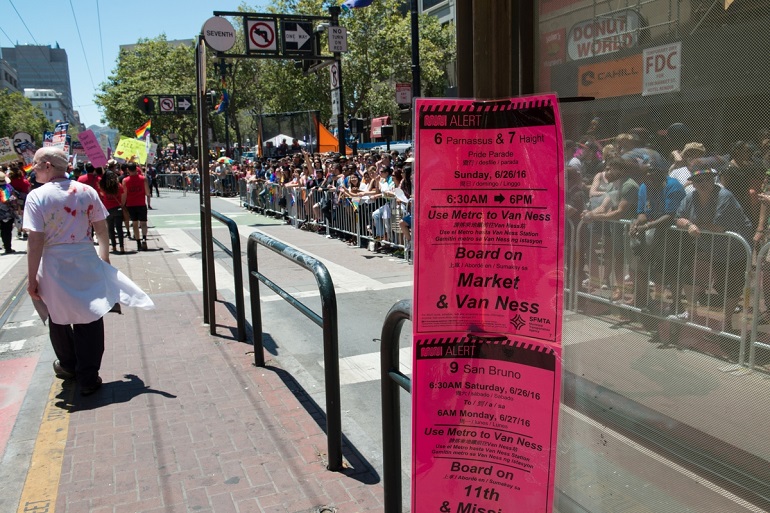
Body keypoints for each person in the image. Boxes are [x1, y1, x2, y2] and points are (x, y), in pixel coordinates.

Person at [24, 147, 154, 396]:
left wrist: (32, 280)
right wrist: (104, 259)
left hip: (53, 265)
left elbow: (35, 241)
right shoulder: (86, 191)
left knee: (57, 317)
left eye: (36, 164)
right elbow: (102, 230)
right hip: (85, 259)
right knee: (90, 316)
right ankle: (88, 376)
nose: (34, 168)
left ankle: (69, 365)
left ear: (49, 165)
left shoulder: (37, 197)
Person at [673, 160, 753, 332]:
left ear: (713, 180)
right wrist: (688, 225)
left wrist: (693, 223)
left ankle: (727, 322)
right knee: (691, 274)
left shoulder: (724, 196)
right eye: (699, 180)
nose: (703, 183)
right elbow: (677, 218)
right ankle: (692, 311)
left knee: (730, 286)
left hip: (733, 249)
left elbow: (717, 226)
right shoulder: (690, 197)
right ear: (692, 183)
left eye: (708, 179)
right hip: (709, 247)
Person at [123, 162, 151, 251]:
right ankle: (144, 238)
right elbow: (147, 193)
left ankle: (138, 242)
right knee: (143, 223)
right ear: (136, 169)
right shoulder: (143, 179)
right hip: (141, 204)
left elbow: (124, 194)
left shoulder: (125, 181)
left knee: (135, 223)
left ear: (128, 170)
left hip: (131, 204)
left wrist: (122, 204)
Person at [98, 170, 127, 253]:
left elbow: (102, 195)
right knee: (119, 229)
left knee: (110, 229)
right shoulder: (119, 186)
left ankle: (114, 246)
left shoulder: (103, 186)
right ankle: (122, 247)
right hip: (118, 208)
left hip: (108, 209)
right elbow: (122, 195)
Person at [0, 172, 20, 254]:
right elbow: (13, 200)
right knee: (7, 231)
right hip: (7, 213)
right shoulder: (8, 188)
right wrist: (16, 209)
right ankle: (8, 247)